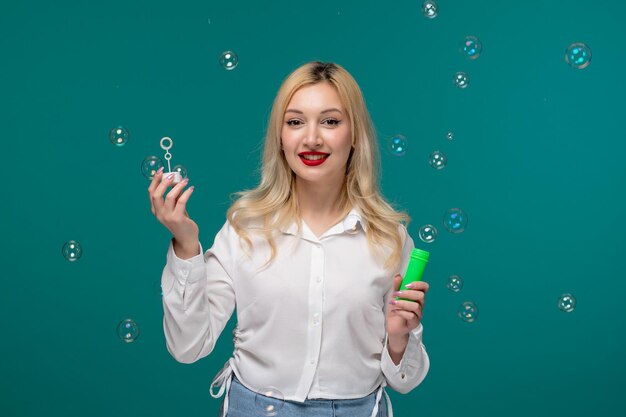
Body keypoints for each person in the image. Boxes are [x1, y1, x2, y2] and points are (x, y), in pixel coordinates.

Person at [147, 61, 430, 417]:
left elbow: (406, 380)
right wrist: (186, 245)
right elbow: (187, 346)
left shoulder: (389, 238)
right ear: (280, 137)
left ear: (355, 133)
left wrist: (400, 339)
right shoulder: (243, 228)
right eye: (295, 122)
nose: (311, 138)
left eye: (330, 121)